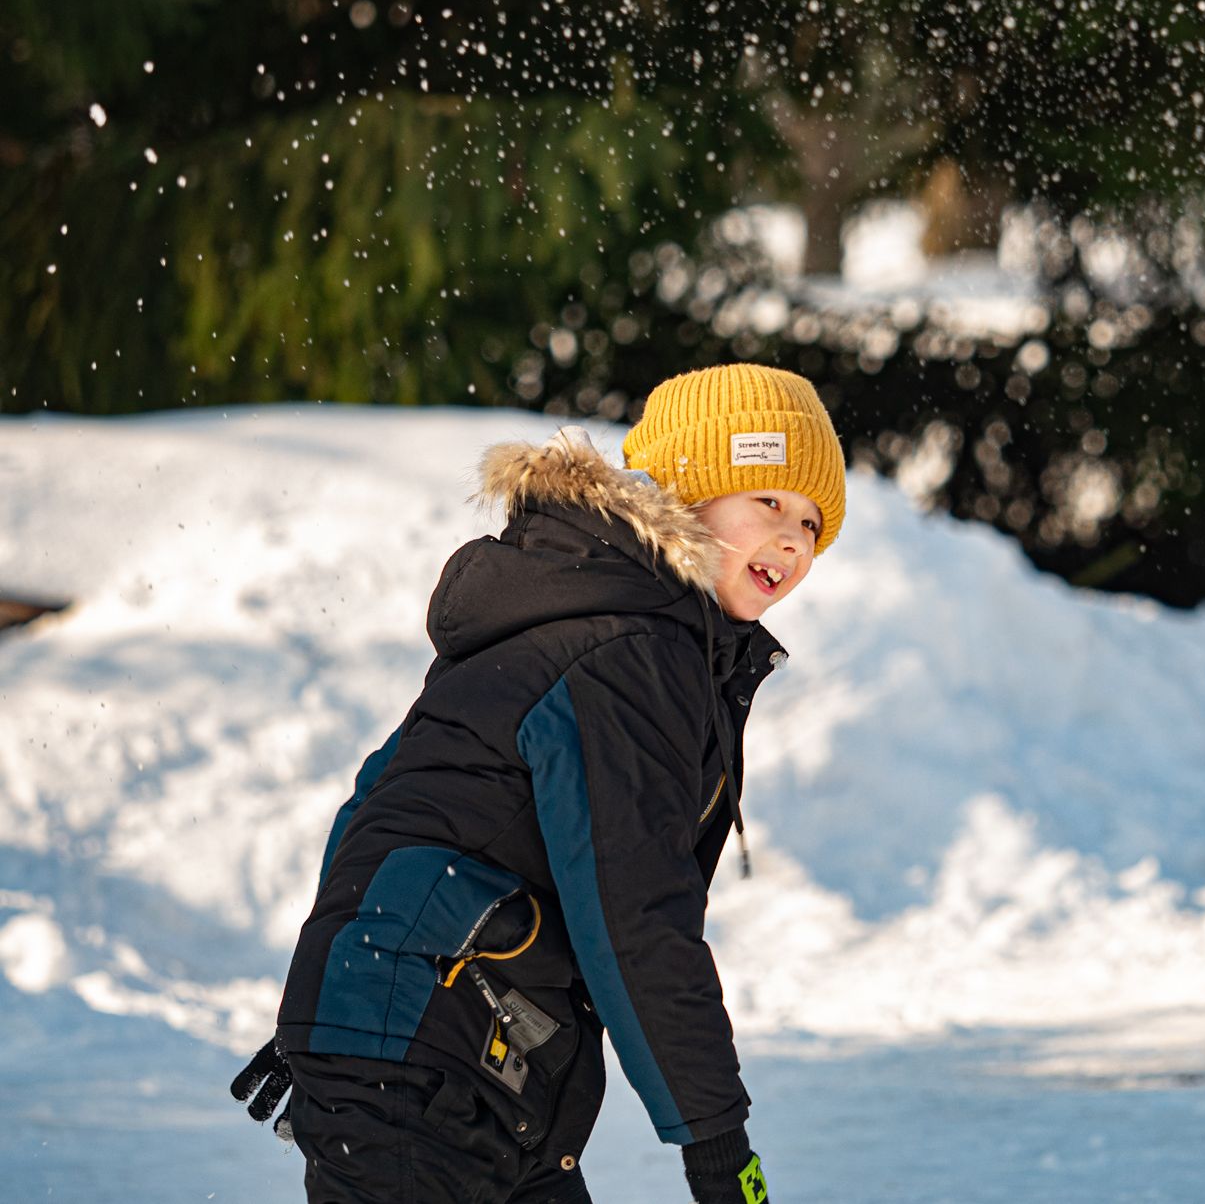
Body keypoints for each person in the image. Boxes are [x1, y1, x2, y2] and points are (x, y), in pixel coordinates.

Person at [231, 363, 846, 1204]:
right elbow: (635, 913)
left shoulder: (599, 615)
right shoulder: (629, 647)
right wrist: (714, 1138)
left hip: (467, 1059)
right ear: (687, 494)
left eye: (812, 523)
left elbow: (380, 799)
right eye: (766, 503)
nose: (791, 540)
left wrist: (340, 999)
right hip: (427, 1061)